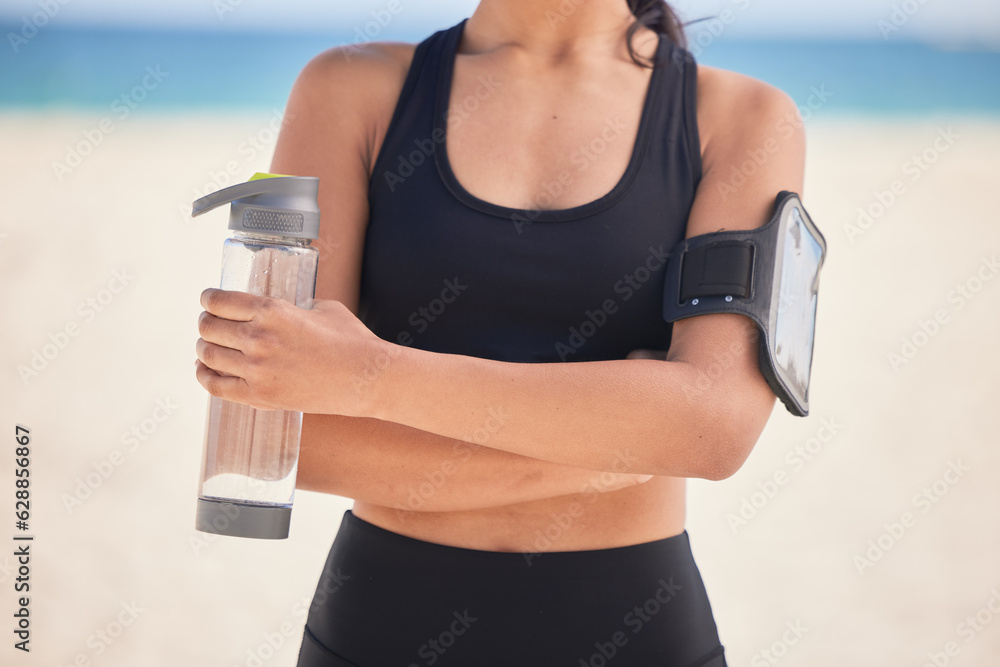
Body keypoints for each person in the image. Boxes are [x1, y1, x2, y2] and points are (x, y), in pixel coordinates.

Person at [194, 0, 805, 664]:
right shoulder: (345, 89)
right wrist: (619, 451)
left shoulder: (744, 120)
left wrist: (367, 376)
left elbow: (711, 429)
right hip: (382, 631)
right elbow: (277, 443)